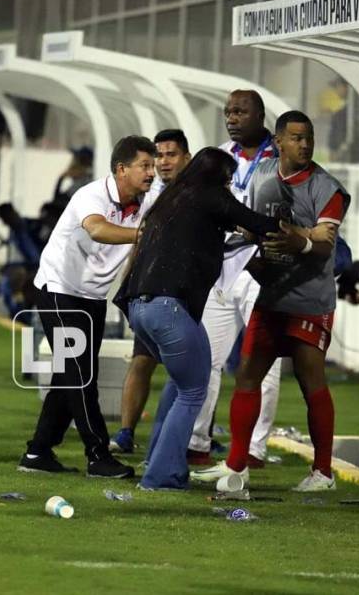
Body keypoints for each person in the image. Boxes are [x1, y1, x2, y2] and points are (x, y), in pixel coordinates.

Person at [193, 110, 350, 493]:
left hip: (310, 300)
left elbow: (325, 241)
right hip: (271, 294)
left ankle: (323, 473)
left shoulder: (327, 187)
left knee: (312, 383)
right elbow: (251, 220)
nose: (304, 144)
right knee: (247, 376)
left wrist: (299, 240)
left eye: (308, 137)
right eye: (296, 137)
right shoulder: (263, 174)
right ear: (277, 141)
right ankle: (236, 466)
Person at [115, 148, 282, 489]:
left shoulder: (172, 200)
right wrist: (302, 234)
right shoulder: (209, 194)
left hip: (139, 306)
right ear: (219, 176)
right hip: (168, 308)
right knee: (195, 388)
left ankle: (160, 461)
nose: (228, 186)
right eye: (227, 179)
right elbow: (256, 222)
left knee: (181, 381)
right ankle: (161, 474)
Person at [18, 135, 157, 479]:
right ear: (121, 169)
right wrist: (144, 234)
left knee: (70, 375)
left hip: (92, 297)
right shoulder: (91, 195)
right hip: (58, 291)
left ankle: (38, 451)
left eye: (153, 165)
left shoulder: (148, 200)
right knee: (80, 376)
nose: (152, 172)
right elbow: (97, 229)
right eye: (145, 165)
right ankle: (98, 455)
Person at [186, 90, 285, 468]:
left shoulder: (279, 159)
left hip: (263, 270)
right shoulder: (217, 159)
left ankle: (256, 447)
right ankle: (197, 440)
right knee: (205, 357)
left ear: (260, 115)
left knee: (265, 361)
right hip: (224, 268)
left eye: (240, 111)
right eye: (228, 111)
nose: (232, 117)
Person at [110, 128, 192, 454]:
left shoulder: (199, 191)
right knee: (142, 361)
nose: (163, 162)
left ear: (187, 157)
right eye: (158, 156)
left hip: (188, 295)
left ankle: (182, 440)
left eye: (171, 155)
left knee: (190, 371)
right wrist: (128, 285)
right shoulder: (150, 194)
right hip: (152, 292)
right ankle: (126, 433)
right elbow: (140, 241)